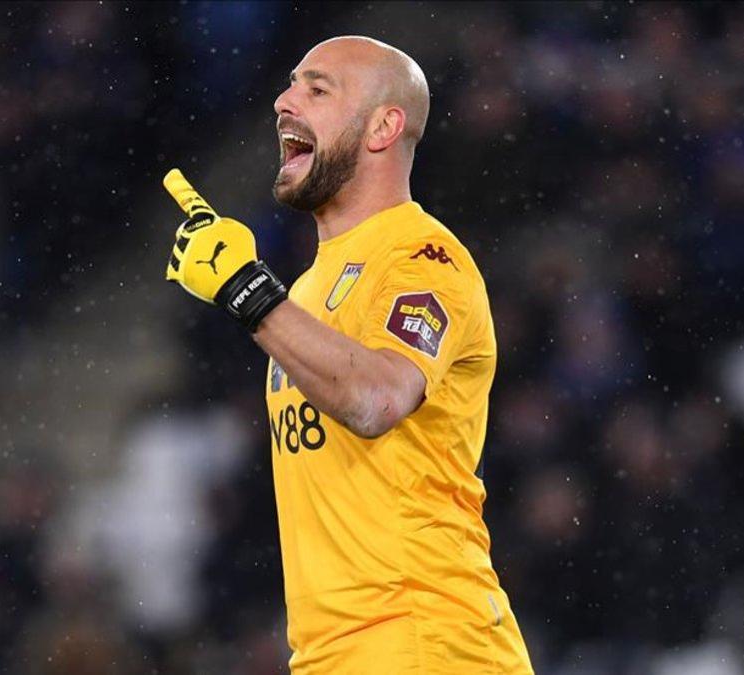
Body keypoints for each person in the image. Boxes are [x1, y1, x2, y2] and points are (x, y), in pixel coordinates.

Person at [164, 36, 533, 674]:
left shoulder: (424, 258)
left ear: (384, 127)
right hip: (338, 654)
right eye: (289, 84)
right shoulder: (306, 290)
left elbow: (376, 397)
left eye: (317, 89)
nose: (283, 101)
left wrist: (244, 291)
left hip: (427, 641)